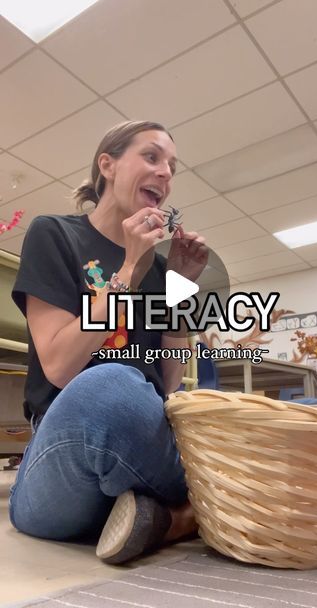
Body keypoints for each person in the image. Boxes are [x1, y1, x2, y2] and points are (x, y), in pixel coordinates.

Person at [9, 120, 208, 564]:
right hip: (65, 452)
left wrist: (176, 288)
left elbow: (169, 381)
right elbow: (60, 367)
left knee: (261, 412)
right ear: (108, 165)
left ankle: (164, 516)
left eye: (172, 167)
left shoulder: (159, 272)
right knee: (107, 386)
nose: (166, 174)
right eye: (152, 157)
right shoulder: (54, 234)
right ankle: (203, 504)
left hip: (140, 447)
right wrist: (129, 269)